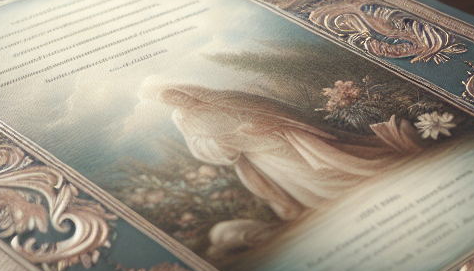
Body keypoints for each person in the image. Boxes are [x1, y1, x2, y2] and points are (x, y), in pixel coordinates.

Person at [159, 84, 396, 221]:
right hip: (253, 152)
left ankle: (354, 179)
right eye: (173, 99)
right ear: (172, 104)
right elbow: (197, 144)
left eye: (178, 93)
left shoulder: (218, 98)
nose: (179, 99)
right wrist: (221, 145)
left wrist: (257, 124)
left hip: (272, 136)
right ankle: (340, 195)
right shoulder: (182, 117)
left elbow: (258, 109)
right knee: (302, 174)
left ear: (185, 91)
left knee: (313, 160)